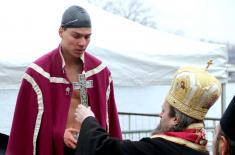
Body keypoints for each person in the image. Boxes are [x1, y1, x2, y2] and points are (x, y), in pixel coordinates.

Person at [6, 5, 122, 155]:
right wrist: (59, 133)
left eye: (87, 37)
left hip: (89, 149)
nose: (83, 43)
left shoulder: (99, 72)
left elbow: (110, 122)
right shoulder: (38, 74)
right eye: (76, 36)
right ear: (61, 31)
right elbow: (25, 129)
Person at [75, 63, 222, 155]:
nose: (160, 114)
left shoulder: (158, 149)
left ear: (175, 120)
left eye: (163, 111)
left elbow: (106, 149)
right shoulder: (201, 149)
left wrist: (87, 119)